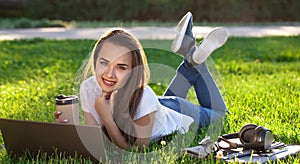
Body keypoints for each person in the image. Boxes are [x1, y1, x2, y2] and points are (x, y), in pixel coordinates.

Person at [55, 12, 228, 150]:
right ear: (95, 60)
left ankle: (195, 60)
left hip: (175, 113)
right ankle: (191, 55)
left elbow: (136, 150)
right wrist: (69, 130)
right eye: (104, 63)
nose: (109, 74)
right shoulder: (89, 88)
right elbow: (96, 139)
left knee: (220, 114)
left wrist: (106, 117)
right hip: (155, 109)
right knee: (188, 71)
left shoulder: (144, 97)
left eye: (121, 67)